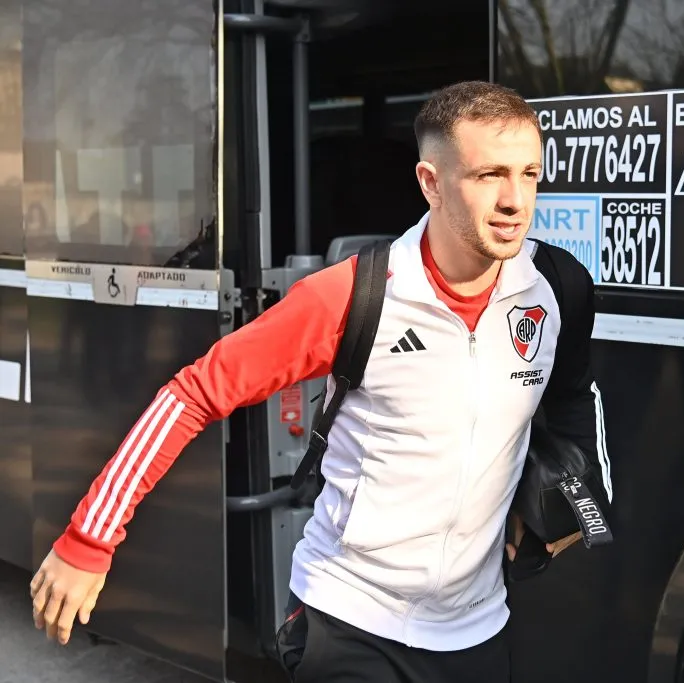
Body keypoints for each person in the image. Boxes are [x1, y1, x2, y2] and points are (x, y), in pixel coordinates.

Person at [28, 80, 610, 682]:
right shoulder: (353, 295)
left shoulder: (556, 287)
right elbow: (193, 393)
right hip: (349, 619)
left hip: (477, 629)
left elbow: (574, 397)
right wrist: (87, 541)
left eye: (530, 174)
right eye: (488, 175)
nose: (516, 199)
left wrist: (575, 503)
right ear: (430, 183)